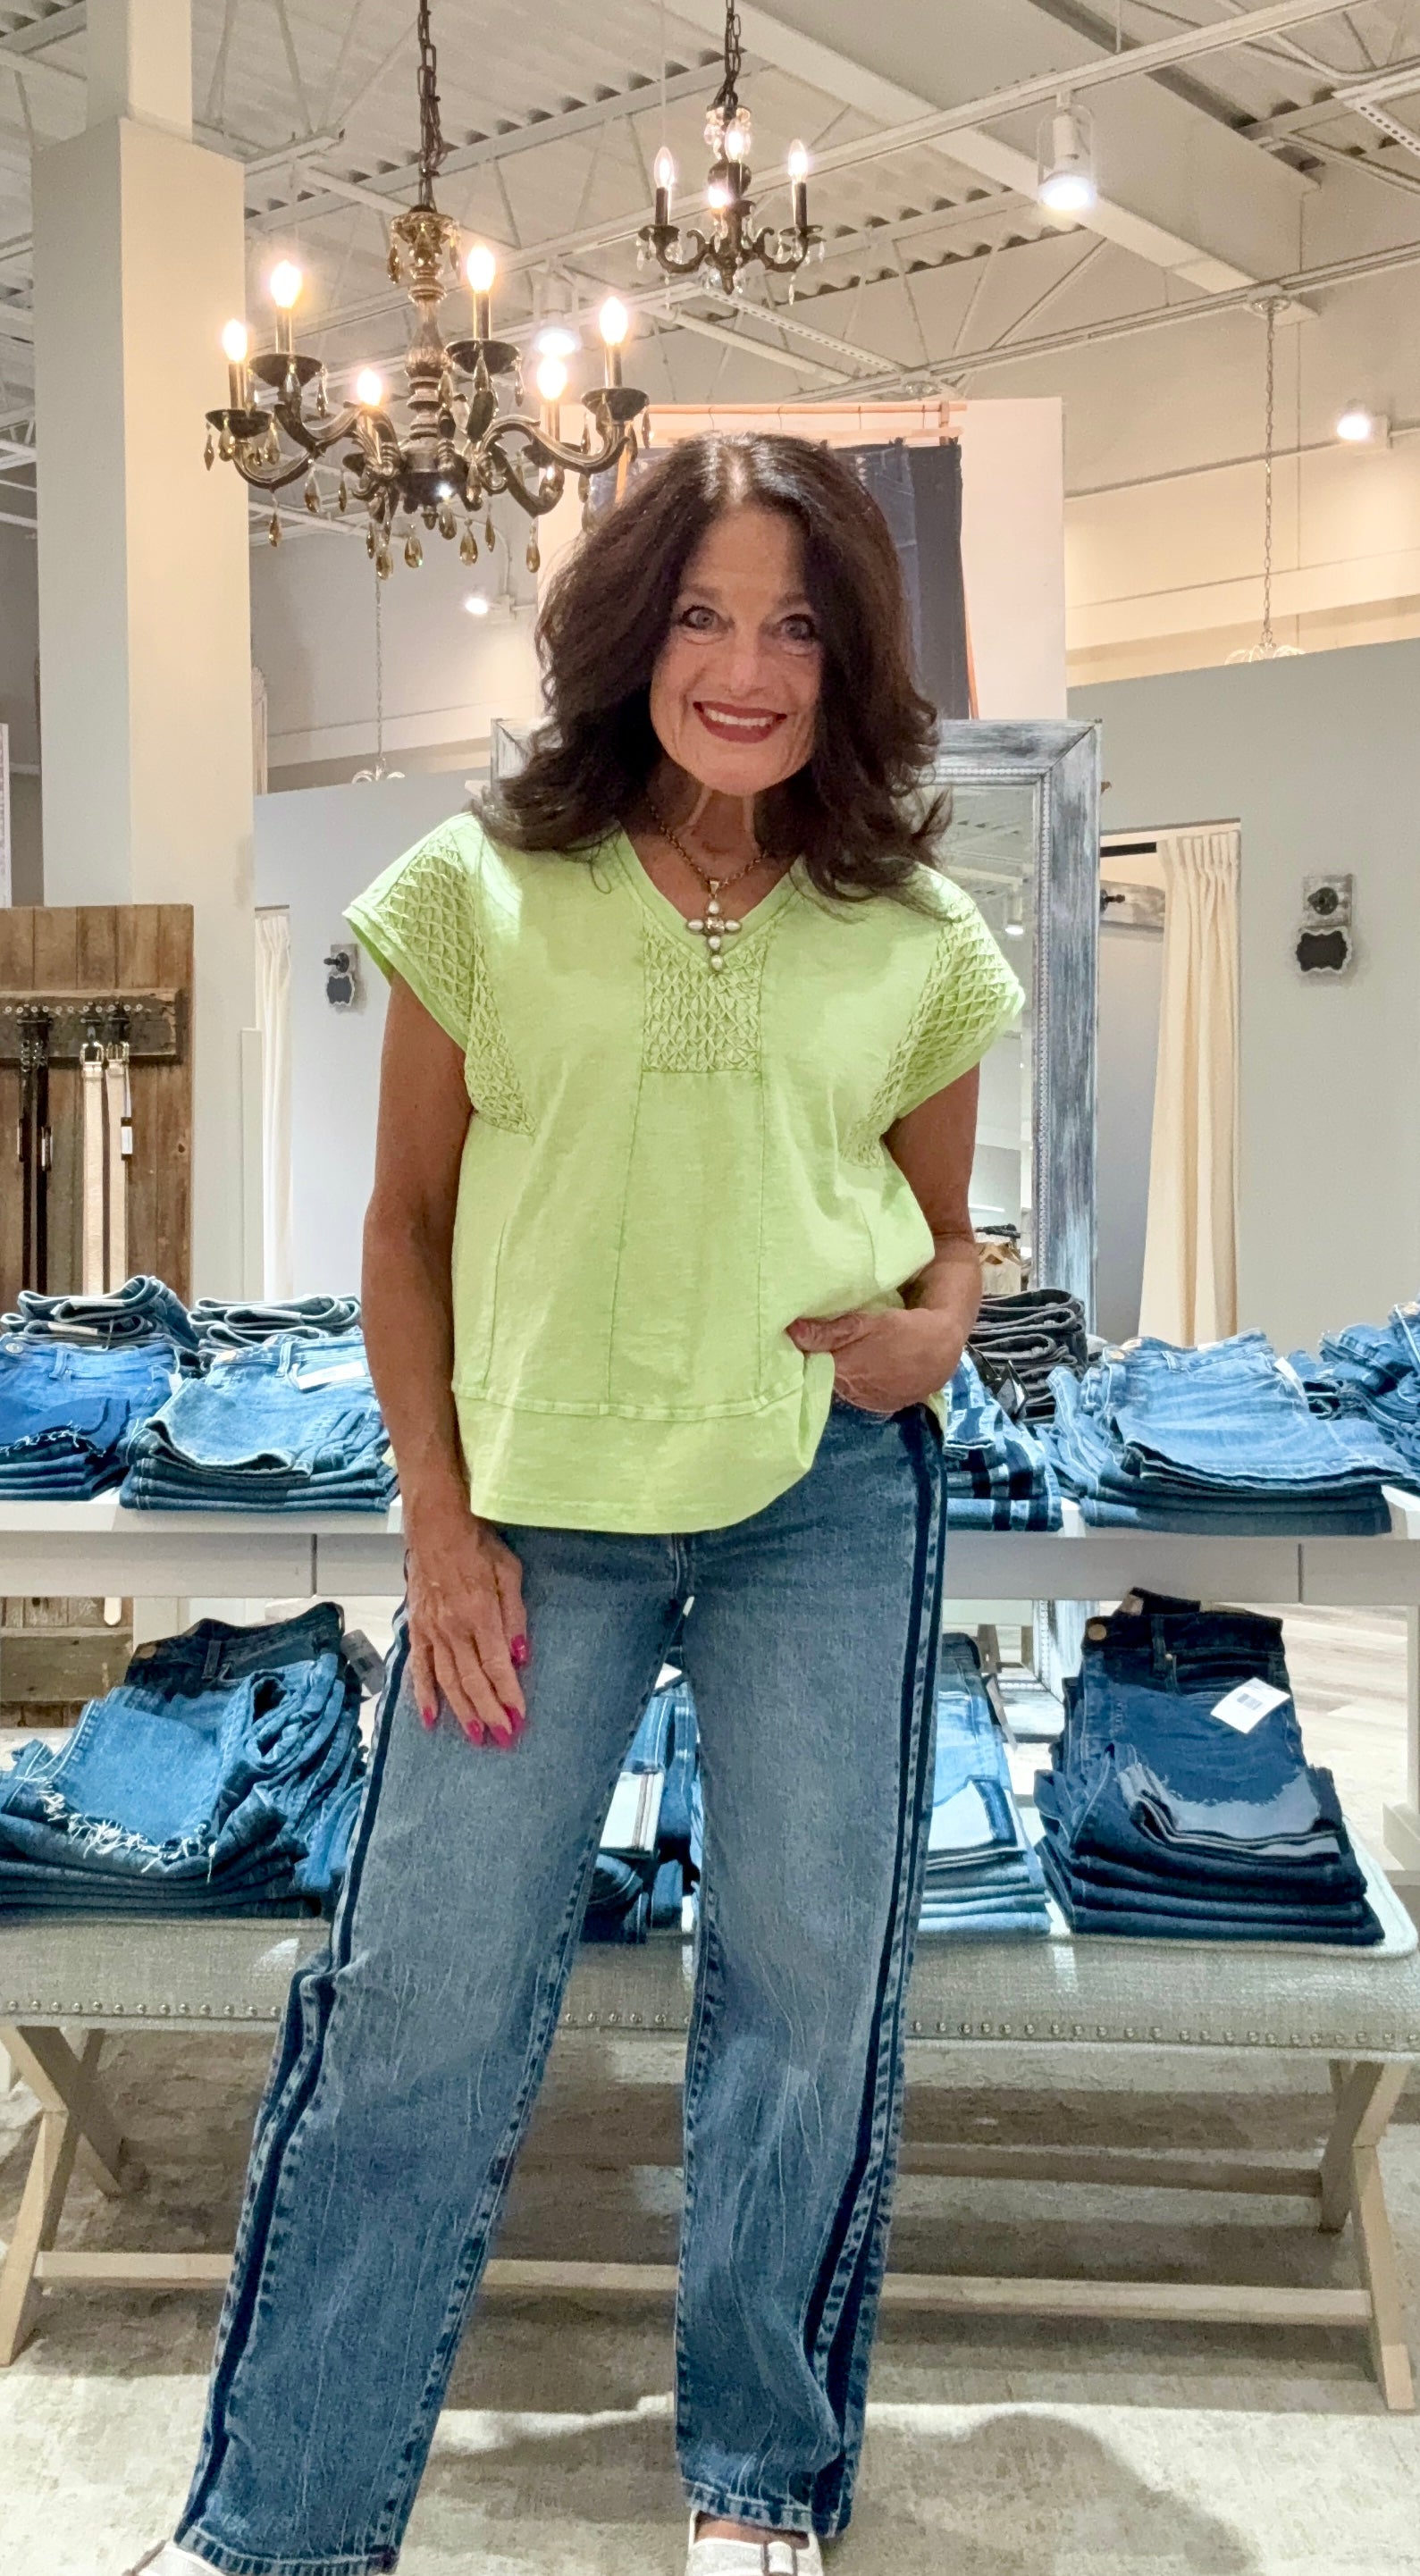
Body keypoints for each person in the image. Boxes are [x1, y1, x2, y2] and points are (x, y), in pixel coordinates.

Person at [130, 432, 1021, 2576]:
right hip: (534, 1513)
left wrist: (942, 1328)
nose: (746, 667)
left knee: (808, 1994)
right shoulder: (481, 888)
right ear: (632, 634)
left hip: (824, 1493)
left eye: (794, 626)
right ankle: (283, 2515)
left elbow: (945, 1236)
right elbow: (405, 1225)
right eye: (702, 614)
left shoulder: (913, 930)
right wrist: (438, 1526)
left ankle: (759, 2474)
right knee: (418, 1999)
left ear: (850, 660)